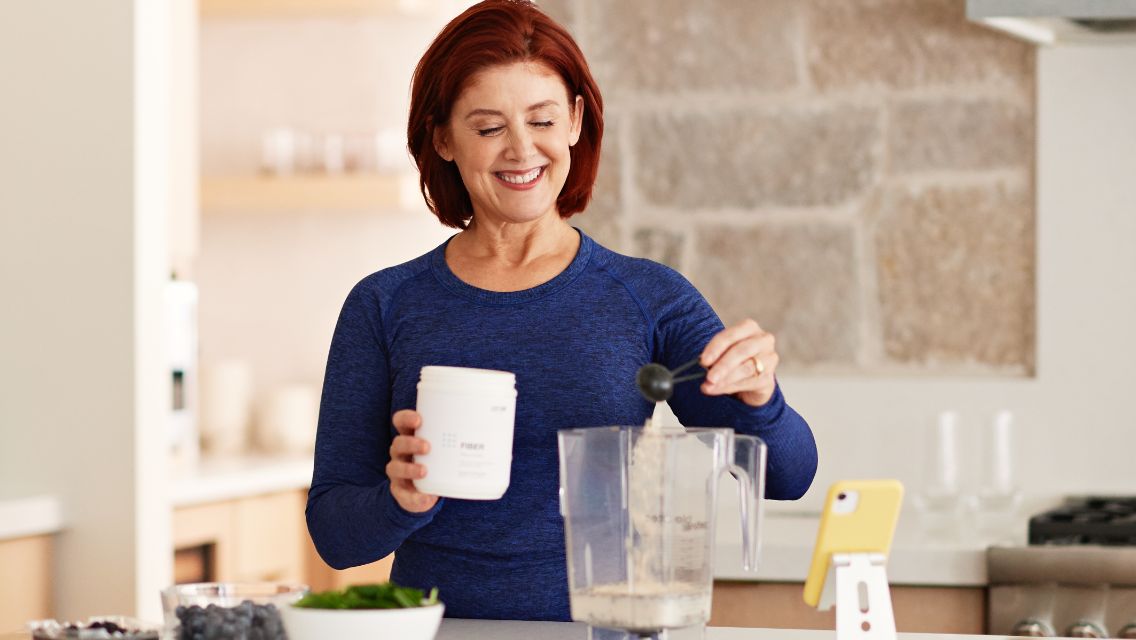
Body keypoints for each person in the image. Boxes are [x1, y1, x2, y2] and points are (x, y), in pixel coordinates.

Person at [307, 0, 818, 622]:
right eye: (489, 128)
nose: (522, 151)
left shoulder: (647, 297)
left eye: (542, 120)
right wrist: (400, 500)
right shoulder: (384, 304)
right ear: (442, 137)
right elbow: (334, 535)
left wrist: (761, 398)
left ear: (575, 120)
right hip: (439, 631)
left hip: (602, 633)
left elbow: (787, 476)